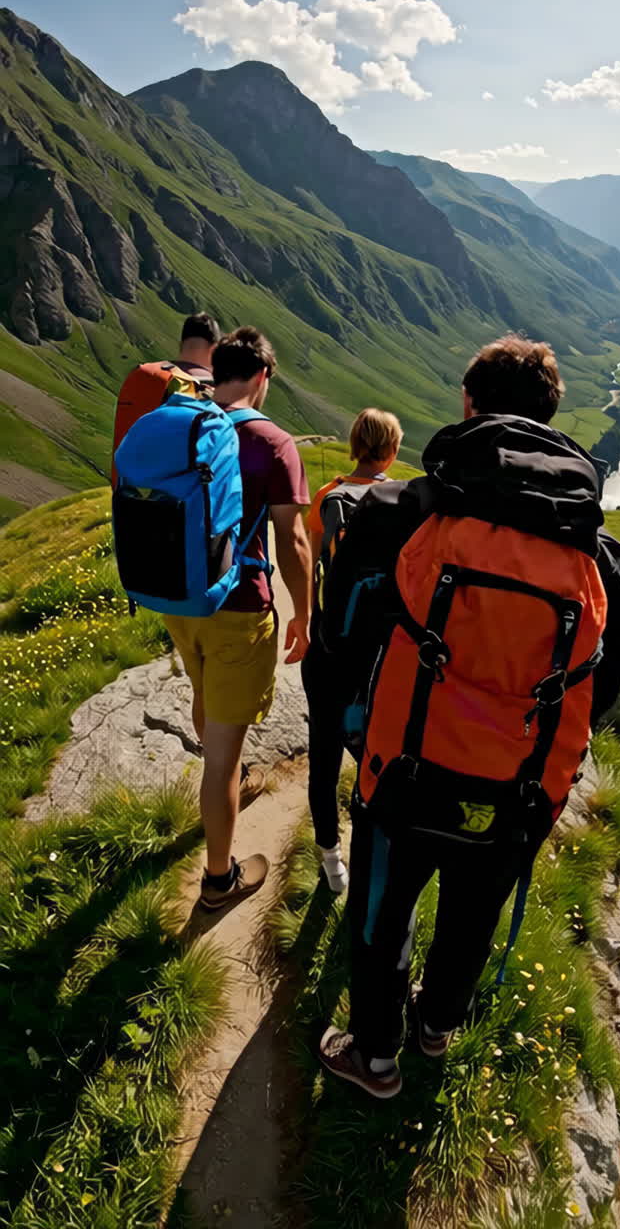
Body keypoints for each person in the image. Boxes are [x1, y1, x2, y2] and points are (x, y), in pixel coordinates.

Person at [317, 334, 620, 1098]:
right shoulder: (601, 556)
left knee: (383, 909)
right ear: (552, 417)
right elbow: (608, 679)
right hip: (522, 787)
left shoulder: (400, 511)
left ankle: (374, 1055)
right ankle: (437, 1025)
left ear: (470, 407)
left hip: (403, 766)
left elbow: (340, 636)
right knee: (472, 910)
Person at [163, 327, 313, 911]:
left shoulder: (184, 423)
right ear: (262, 377)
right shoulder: (273, 443)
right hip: (239, 606)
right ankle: (219, 880)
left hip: (180, 600)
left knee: (206, 698)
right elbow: (293, 541)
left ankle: (219, 779)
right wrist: (304, 612)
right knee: (225, 755)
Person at [302, 409, 403, 893]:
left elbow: (313, 569)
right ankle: (373, 847)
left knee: (322, 755)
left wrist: (306, 626)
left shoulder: (328, 498)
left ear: (353, 445)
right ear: (393, 450)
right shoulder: (403, 503)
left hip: (329, 651)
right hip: (383, 656)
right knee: (377, 750)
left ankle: (330, 858)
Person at [112, 313, 221, 484]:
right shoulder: (209, 390)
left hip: (125, 497)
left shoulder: (152, 376)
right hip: (176, 504)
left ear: (181, 344)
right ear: (215, 349)